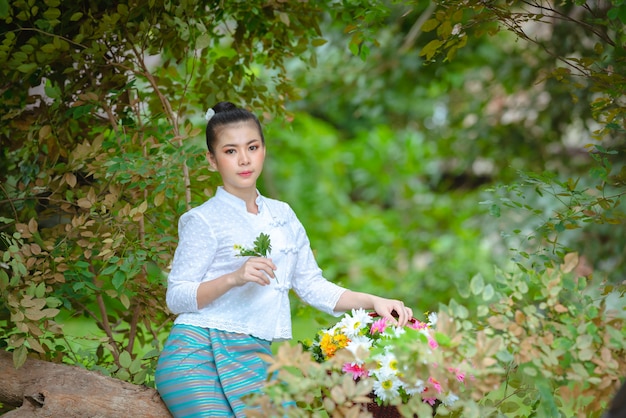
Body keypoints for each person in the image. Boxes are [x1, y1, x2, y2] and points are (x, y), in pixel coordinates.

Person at [154, 101, 414, 417]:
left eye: (252, 147)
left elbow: (311, 286)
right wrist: (233, 278)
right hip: (196, 353)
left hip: (254, 356)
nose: (244, 159)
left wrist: (374, 301)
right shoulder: (203, 220)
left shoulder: (283, 215)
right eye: (230, 151)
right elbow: (176, 297)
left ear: (264, 149)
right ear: (212, 160)